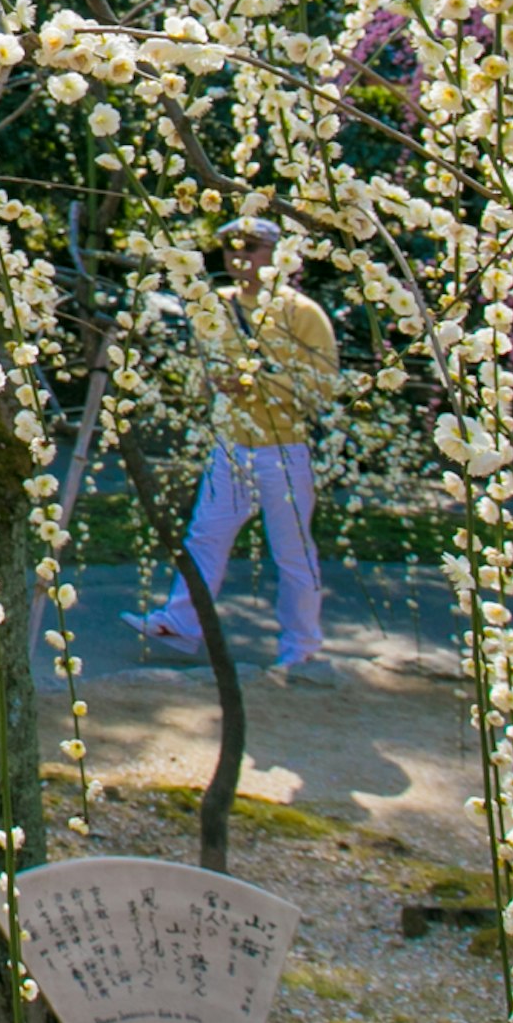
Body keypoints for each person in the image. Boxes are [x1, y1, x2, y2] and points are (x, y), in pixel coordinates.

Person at [129, 216, 342, 682]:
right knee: (206, 535)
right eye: (231, 249)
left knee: (292, 550)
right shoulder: (217, 307)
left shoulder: (302, 313)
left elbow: (324, 386)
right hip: (231, 444)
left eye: (253, 247)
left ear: (276, 255)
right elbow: (203, 371)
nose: (241, 258)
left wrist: (261, 379)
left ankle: (301, 645)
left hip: (283, 448)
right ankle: (182, 623)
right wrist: (215, 383)